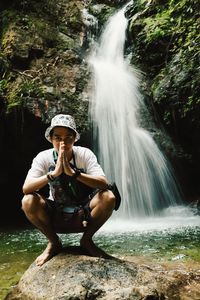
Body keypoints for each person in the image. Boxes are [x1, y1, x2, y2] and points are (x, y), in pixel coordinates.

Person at [22, 114, 120, 266]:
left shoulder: (84, 154)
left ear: (75, 138)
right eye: (58, 137)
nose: (63, 142)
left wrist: (75, 174)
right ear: (51, 139)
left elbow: (103, 183)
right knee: (28, 200)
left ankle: (86, 241)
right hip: (56, 214)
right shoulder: (43, 157)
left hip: (84, 214)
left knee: (108, 196)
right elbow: (26, 188)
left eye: (68, 137)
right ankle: (54, 243)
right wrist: (53, 174)